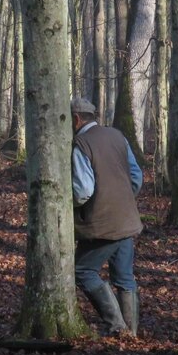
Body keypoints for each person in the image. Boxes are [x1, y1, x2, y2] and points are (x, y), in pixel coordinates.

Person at [70, 97, 143, 337]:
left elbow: (82, 192)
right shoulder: (117, 136)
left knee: (83, 271)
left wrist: (65, 207)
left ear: (76, 119)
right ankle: (131, 333)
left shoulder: (81, 143)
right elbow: (136, 176)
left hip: (102, 224)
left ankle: (118, 327)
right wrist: (123, 200)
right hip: (127, 220)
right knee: (124, 278)